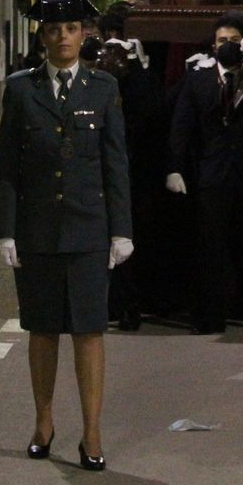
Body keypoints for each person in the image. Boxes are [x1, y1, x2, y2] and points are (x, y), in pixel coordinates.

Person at [0, 0, 132, 471]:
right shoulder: (20, 89)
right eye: (54, 29)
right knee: (43, 331)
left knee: (89, 332)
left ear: (83, 34)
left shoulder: (103, 87)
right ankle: (43, 422)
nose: (63, 37)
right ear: (43, 36)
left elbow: (115, 162)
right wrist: (5, 231)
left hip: (89, 228)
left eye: (71, 28)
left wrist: (121, 229)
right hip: (37, 230)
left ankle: (92, 432)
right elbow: (7, 167)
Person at [167, 11, 243, 333]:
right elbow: (181, 126)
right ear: (213, 45)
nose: (228, 46)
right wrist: (174, 168)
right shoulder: (198, 78)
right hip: (212, 175)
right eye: (222, 40)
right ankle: (210, 315)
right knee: (211, 247)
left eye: (235, 40)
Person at [95, 27, 165, 332]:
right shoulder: (97, 80)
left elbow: (149, 115)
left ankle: (127, 306)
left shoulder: (140, 81)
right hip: (107, 174)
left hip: (135, 175)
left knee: (129, 244)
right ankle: (112, 305)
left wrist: (136, 68)